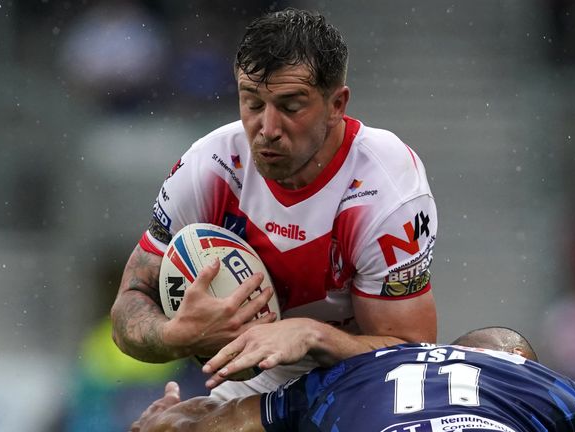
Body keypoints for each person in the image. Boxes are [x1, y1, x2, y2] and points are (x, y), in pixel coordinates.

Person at [110, 7, 439, 400]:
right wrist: (175, 335)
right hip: (248, 384)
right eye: (252, 103)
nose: (267, 130)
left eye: (290, 106)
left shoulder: (384, 190)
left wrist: (311, 335)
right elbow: (128, 308)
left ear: (337, 105)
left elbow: (412, 356)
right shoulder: (209, 168)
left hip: (355, 381)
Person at [130, 327, 575, 431]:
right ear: (518, 358)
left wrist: (165, 423)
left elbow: (228, 418)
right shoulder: (547, 386)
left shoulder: (360, 372)